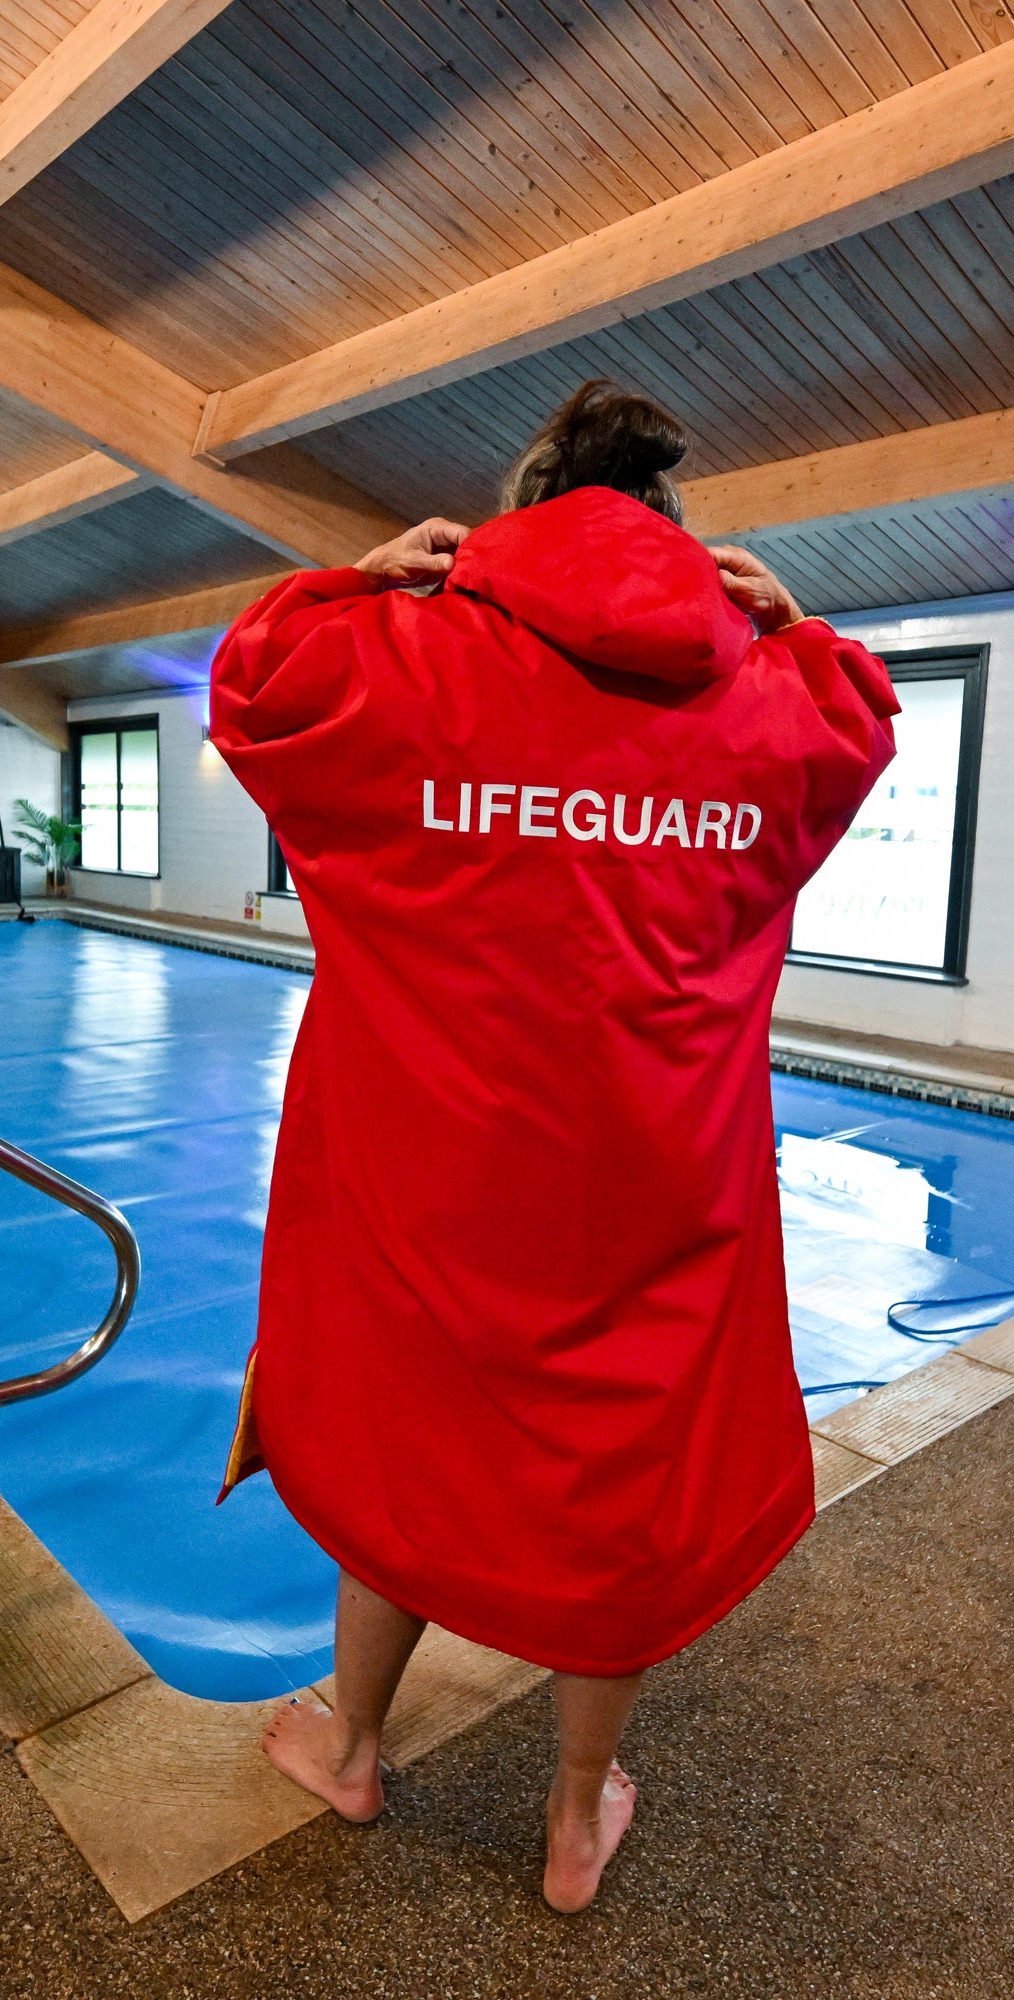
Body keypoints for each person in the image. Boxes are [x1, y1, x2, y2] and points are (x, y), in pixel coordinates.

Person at [209, 379, 898, 1913]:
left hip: (433, 1181)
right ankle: (576, 1817)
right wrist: (786, 625)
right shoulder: (768, 701)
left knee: (405, 1437)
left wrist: (361, 575)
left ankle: (355, 1746)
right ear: (678, 539)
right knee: (627, 1490)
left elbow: (254, 683)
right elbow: (859, 715)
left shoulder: (402, 665)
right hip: (661, 1189)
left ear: (510, 523)